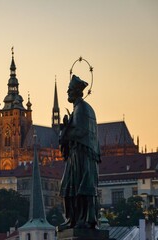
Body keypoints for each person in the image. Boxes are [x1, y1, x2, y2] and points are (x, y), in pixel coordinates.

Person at [58, 74, 101, 230]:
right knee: (67, 187)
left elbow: (80, 132)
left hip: (82, 156)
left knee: (81, 187)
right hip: (77, 155)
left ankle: (82, 219)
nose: (67, 92)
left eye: (69, 90)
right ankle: (73, 219)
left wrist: (64, 132)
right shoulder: (79, 108)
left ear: (76, 91)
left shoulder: (82, 108)